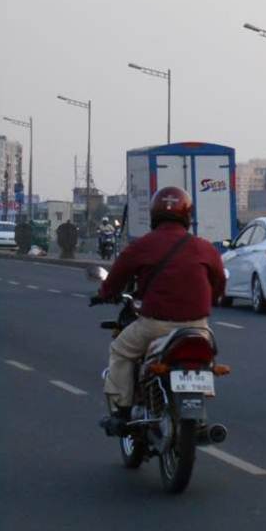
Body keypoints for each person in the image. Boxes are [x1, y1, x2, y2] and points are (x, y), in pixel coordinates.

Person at [97, 186, 225, 435]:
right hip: (198, 327)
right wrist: (214, 298)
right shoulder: (204, 247)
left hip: (155, 325)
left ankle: (122, 412)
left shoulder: (142, 245)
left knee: (120, 351)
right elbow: (219, 283)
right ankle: (198, 414)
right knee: (206, 361)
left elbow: (115, 279)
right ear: (188, 216)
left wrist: (104, 294)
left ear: (155, 215)